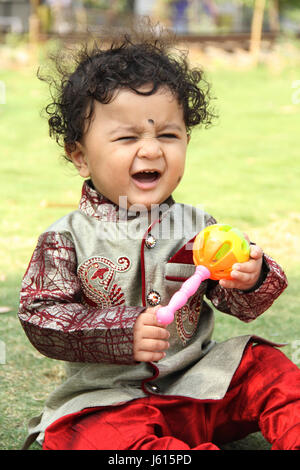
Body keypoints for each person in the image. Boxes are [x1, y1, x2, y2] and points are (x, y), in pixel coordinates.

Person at [19, 24, 300, 450]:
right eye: (127, 137)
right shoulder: (65, 238)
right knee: (91, 438)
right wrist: (122, 329)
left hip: (201, 384)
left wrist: (252, 277)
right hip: (108, 401)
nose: (151, 151)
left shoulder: (200, 226)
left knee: (268, 368)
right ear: (80, 156)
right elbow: (41, 316)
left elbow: (240, 306)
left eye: (168, 134)